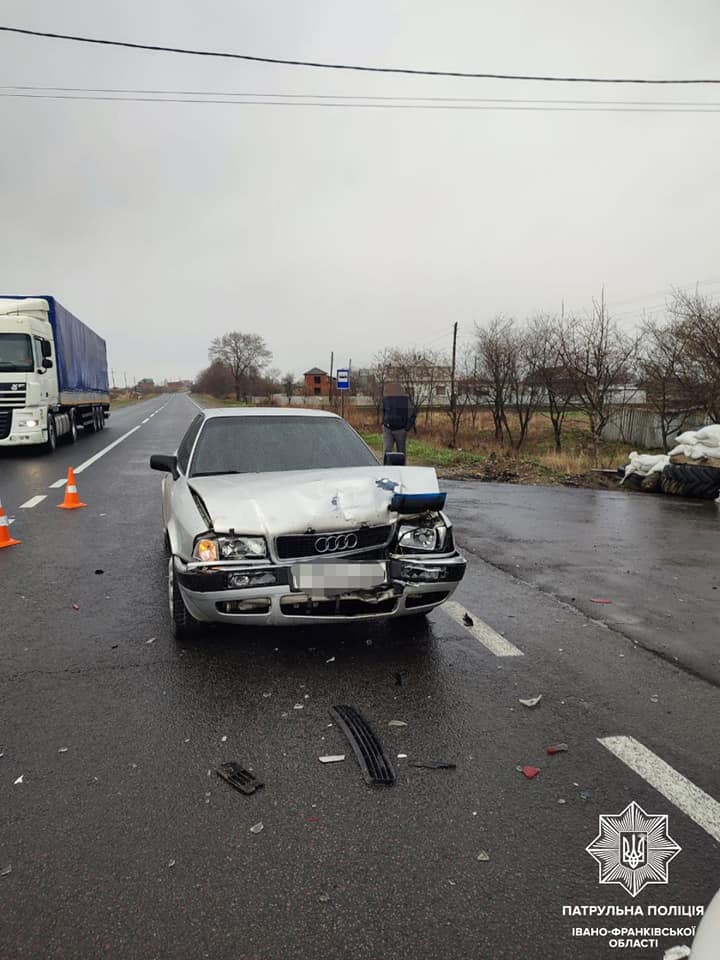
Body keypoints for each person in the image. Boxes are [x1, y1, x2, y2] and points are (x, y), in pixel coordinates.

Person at [381, 382, 416, 456]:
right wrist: (383, 422)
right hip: (388, 429)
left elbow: (412, 414)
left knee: (401, 453)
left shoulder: (405, 400)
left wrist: (406, 428)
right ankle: (386, 467)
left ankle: (402, 467)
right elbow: (383, 411)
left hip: (400, 430)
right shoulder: (386, 398)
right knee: (387, 452)